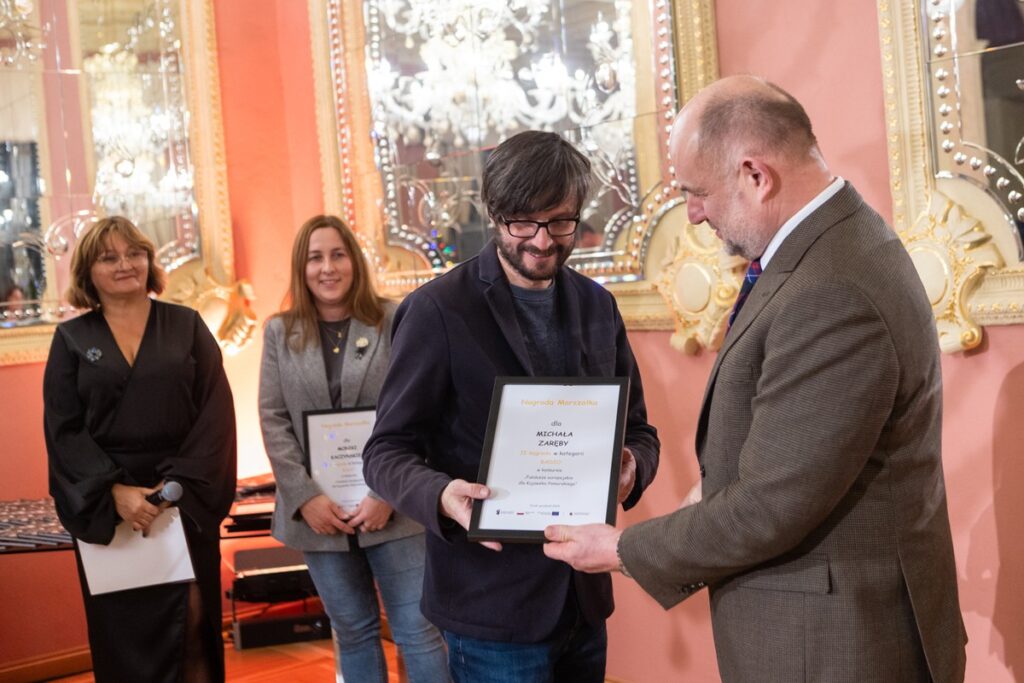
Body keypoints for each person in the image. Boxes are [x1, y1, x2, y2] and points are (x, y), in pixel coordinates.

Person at [543, 76, 968, 682]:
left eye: (697, 192)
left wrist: (619, 550)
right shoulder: (835, 242)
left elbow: (773, 505)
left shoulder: (832, 288)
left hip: (835, 643)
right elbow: (790, 448)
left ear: (754, 174)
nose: (693, 214)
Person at [362, 130, 660, 682]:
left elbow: (640, 430)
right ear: (495, 215)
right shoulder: (436, 311)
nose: (543, 241)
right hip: (488, 605)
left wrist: (632, 466)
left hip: (583, 597)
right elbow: (385, 452)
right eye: (523, 223)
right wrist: (443, 495)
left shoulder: (598, 306)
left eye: (560, 222)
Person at [43, 216, 237, 682]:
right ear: (89, 272)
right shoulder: (72, 339)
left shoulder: (187, 326)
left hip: (182, 500)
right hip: (107, 510)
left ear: (150, 261)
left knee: (192, 626)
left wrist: (172, 490)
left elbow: (216, 412)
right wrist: (114, 493)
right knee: (124, 641)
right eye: (109, 257)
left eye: (134, 253)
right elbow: (64, 430)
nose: (125, 264)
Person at [258, 215, 448, 683]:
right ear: (301, 268)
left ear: (354, 261)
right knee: (352, 632)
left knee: (418, 632)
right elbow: (273, 418)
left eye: (337, 255)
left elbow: (422, 407)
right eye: (315, 257)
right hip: (319, 516)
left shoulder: (394, 318)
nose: (328, 267)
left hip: (395, 508)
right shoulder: (280, 332)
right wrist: (305, 498)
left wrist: (389, 493)